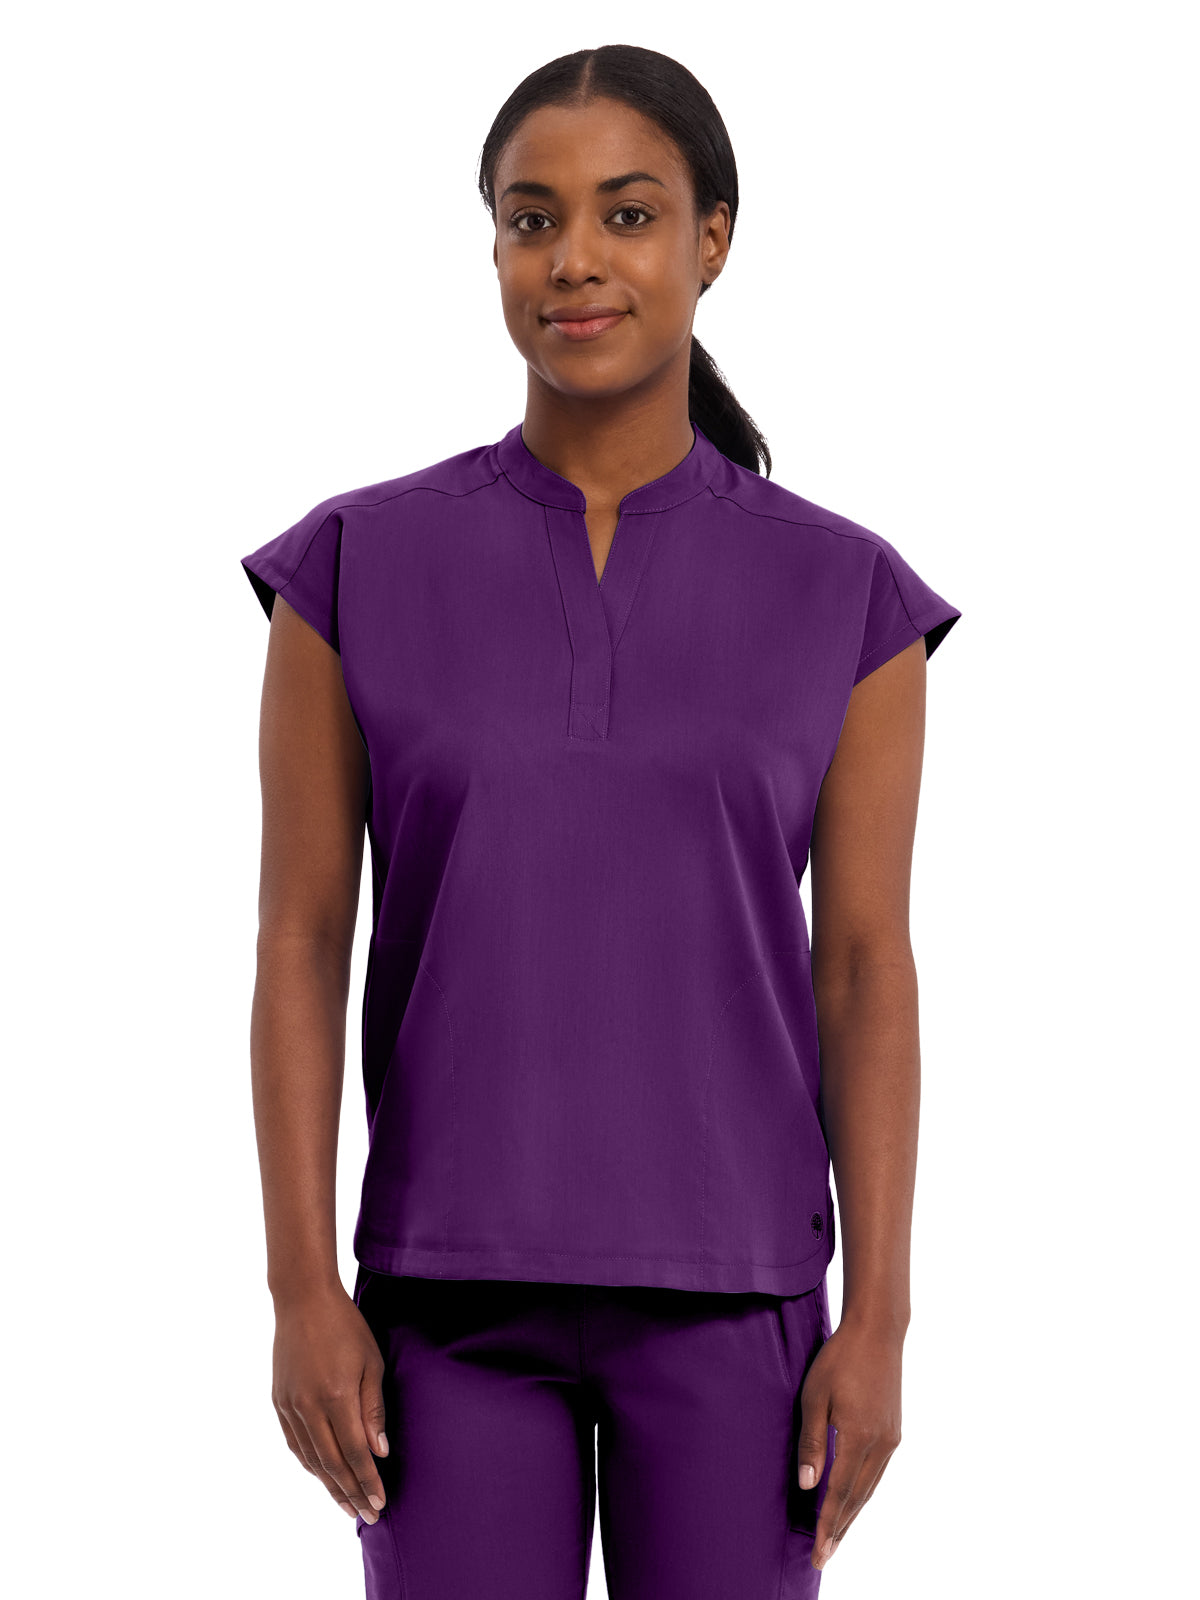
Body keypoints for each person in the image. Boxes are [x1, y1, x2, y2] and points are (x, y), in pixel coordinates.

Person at [240, 44, 961, 1600]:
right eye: (531, 219)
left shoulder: (849, 598)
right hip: (442, 1302)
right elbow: (299, 941)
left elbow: (865, 969)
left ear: (714, 239)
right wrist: (300, 1287)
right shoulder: (352, 568)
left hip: (742, 1305)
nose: (572, 260)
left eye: (627, 215)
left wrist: (882, 1320)